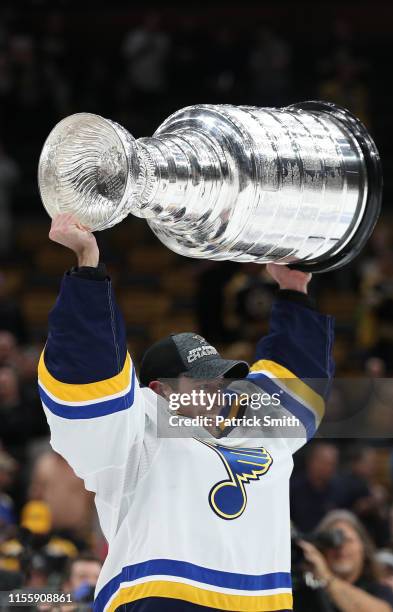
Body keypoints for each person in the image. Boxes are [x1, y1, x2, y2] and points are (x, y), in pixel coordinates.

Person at [38, 213, 334, 612]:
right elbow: (88, 377)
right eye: (201, 381)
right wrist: (87, 263)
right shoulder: (137, 431)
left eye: (220, 380)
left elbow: (299, 379)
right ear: (159, 391)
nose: (216, 389)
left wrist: (294, 288)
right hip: (160, 598)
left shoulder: (256, 428)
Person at [294, 510, 393, 612]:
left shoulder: (380, 590)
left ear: (363, 546)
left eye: (348, 540)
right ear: (321, 550)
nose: (341, 547)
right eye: (332, 542)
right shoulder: (308, 593)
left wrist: (327, 577)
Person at [290, 442, 339, 533]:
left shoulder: (338, 490)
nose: (328, 468)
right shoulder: (292, 488)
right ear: (310, 461)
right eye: (323, 462)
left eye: (331, 464)